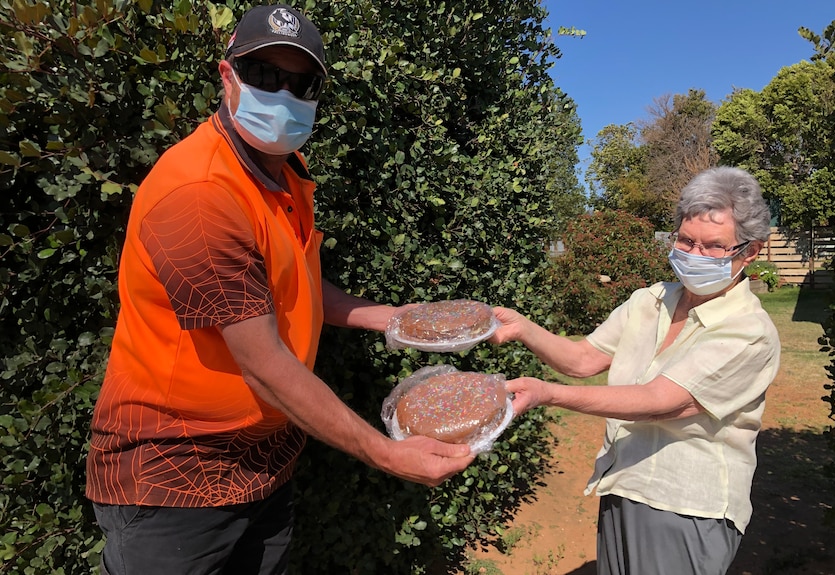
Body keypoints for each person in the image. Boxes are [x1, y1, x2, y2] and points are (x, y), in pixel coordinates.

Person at [85, 5, 473, 574]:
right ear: (227, 76)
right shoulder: (199, 193)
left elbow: (295, 284)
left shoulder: (282, 172)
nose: (284, 93)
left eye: (302, 82)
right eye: (266, 75)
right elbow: (264, 364)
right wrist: (385, 452)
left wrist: (392, 317)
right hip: (172, 483)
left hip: (262, 469)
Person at [491, 166, 781, 575]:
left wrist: (547, 394)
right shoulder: (651, 300)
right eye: (685, 240)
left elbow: (659, 402)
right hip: (623, 480)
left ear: (749, 252)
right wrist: (523, 327)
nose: (693, 255)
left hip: (687, 505)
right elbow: (582, 359)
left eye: (713, 247)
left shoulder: (749, 332)